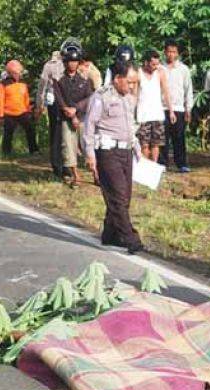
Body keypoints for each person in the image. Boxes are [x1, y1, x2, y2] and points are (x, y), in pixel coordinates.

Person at [83, 60, 143, 255]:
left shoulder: (128, 98)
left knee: (124, 196)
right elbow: (89, 127)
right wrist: (90, 155)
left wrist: (135, 144)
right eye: (130, 82)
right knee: (117, 196)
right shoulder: (101, 97)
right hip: (107, 152)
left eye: (135, 82)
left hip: (125, 151)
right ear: (118, 79)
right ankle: (130, 238)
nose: (133, 86)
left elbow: (129, 125)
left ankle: (110, 234)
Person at [55, 46, 94, 187]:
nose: (72, 64)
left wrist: (76, 110)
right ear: (65, 63)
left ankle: (96, 174)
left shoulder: (84, 79)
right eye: (69, 61)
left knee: (88, 146)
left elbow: (90, 97)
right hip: (66, 118)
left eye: (75, 61)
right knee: (68, 147)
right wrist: (70, 114)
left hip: (83, 117)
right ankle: (75, 175)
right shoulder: (59, 80)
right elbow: (60, 100)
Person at [136, 50, 175, 164]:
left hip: (157, 114)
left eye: (157, 64)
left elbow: (166, 92)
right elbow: (135, 95)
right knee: (144, 144)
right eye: (153, 64)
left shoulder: (160, 73)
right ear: (146, 62)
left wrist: (171, 111)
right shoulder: (138, 73)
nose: (155, 66)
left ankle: (153, 166)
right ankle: (144, 166)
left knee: (156, 143)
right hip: (143, 115)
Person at [160, 39, 193, 173]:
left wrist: (188, 109)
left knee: (179, 137)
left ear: (178, 53)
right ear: (164, 52)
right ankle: (162, 163)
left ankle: (181, 163)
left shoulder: (183, 69)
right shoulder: (159, 68)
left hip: (179, 108)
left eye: (174, 52)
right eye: (168, 52)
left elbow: (188, 89)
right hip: (162, 108)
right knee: (163, 137)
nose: (171, 55)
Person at [0, 59, 38, 155]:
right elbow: (0, 101)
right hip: (9, 113)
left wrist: (28, 110)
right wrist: (0, 115)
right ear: (10, 73)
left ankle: (34, 150)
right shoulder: (3, 84)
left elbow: (26, 98)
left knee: (30, 129)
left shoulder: (23, 83)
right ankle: (6, 153)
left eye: (19, 72)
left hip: (23, 112)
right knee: (8, 134)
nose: (18, 74)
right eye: (15, 72)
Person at [35, 50, 65, 177]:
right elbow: (43, 85)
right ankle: (57, 165)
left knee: (65, 134)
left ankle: (65, 164)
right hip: (55, 102)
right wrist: (40, 104)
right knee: (56, 134)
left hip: (67, 101)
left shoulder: (71, 64)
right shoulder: (49, 66)